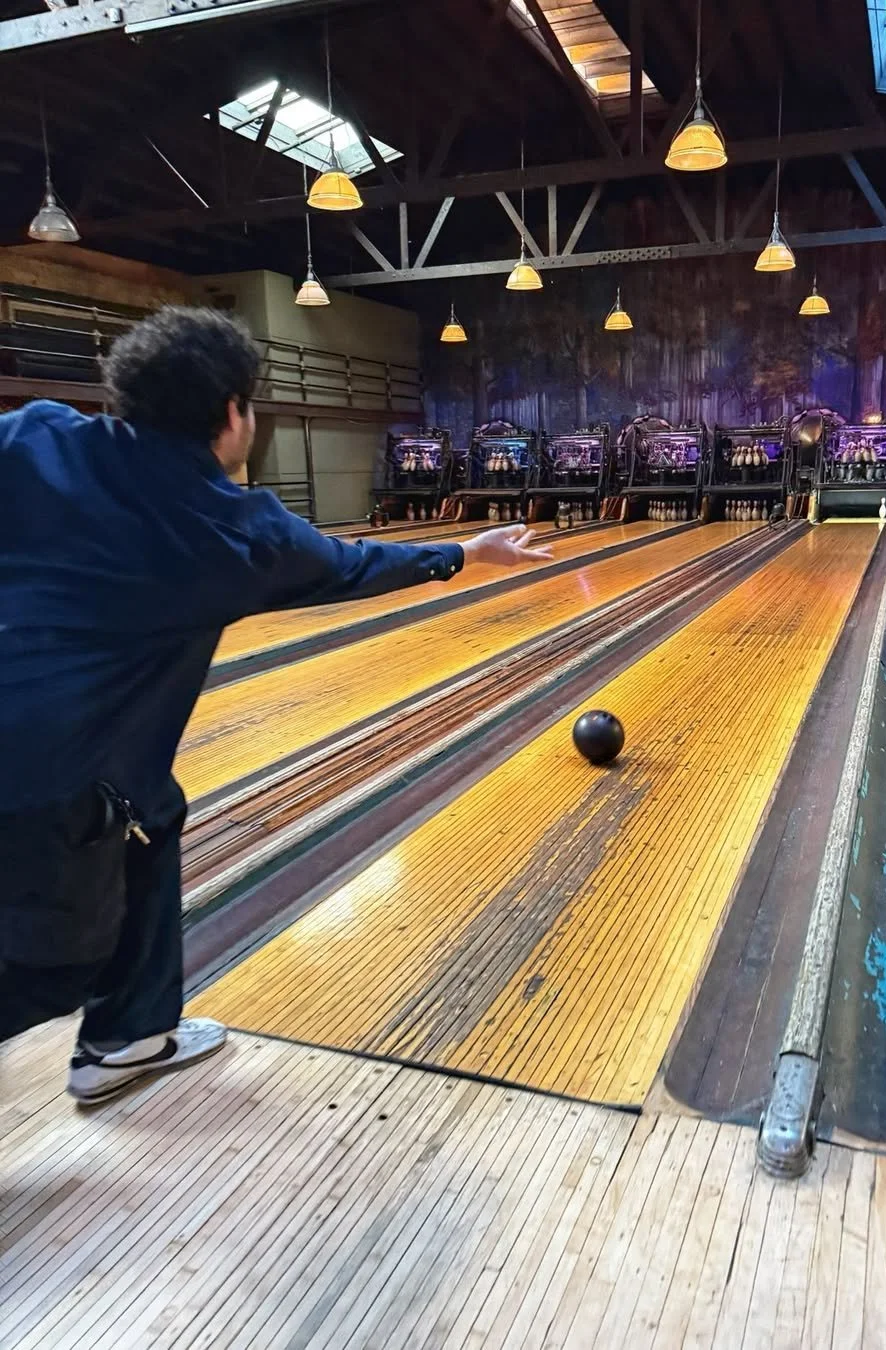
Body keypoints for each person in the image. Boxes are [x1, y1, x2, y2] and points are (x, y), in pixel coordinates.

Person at [0, 305, 552, 1103]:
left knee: (151, 815)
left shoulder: (38, 435)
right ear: (233, 414)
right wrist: (466, 550)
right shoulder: (232, 531)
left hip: (84, 768)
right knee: (57, 968)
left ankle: (129, 1036)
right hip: (45, 777)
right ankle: (109, 1023)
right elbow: (350, 565)